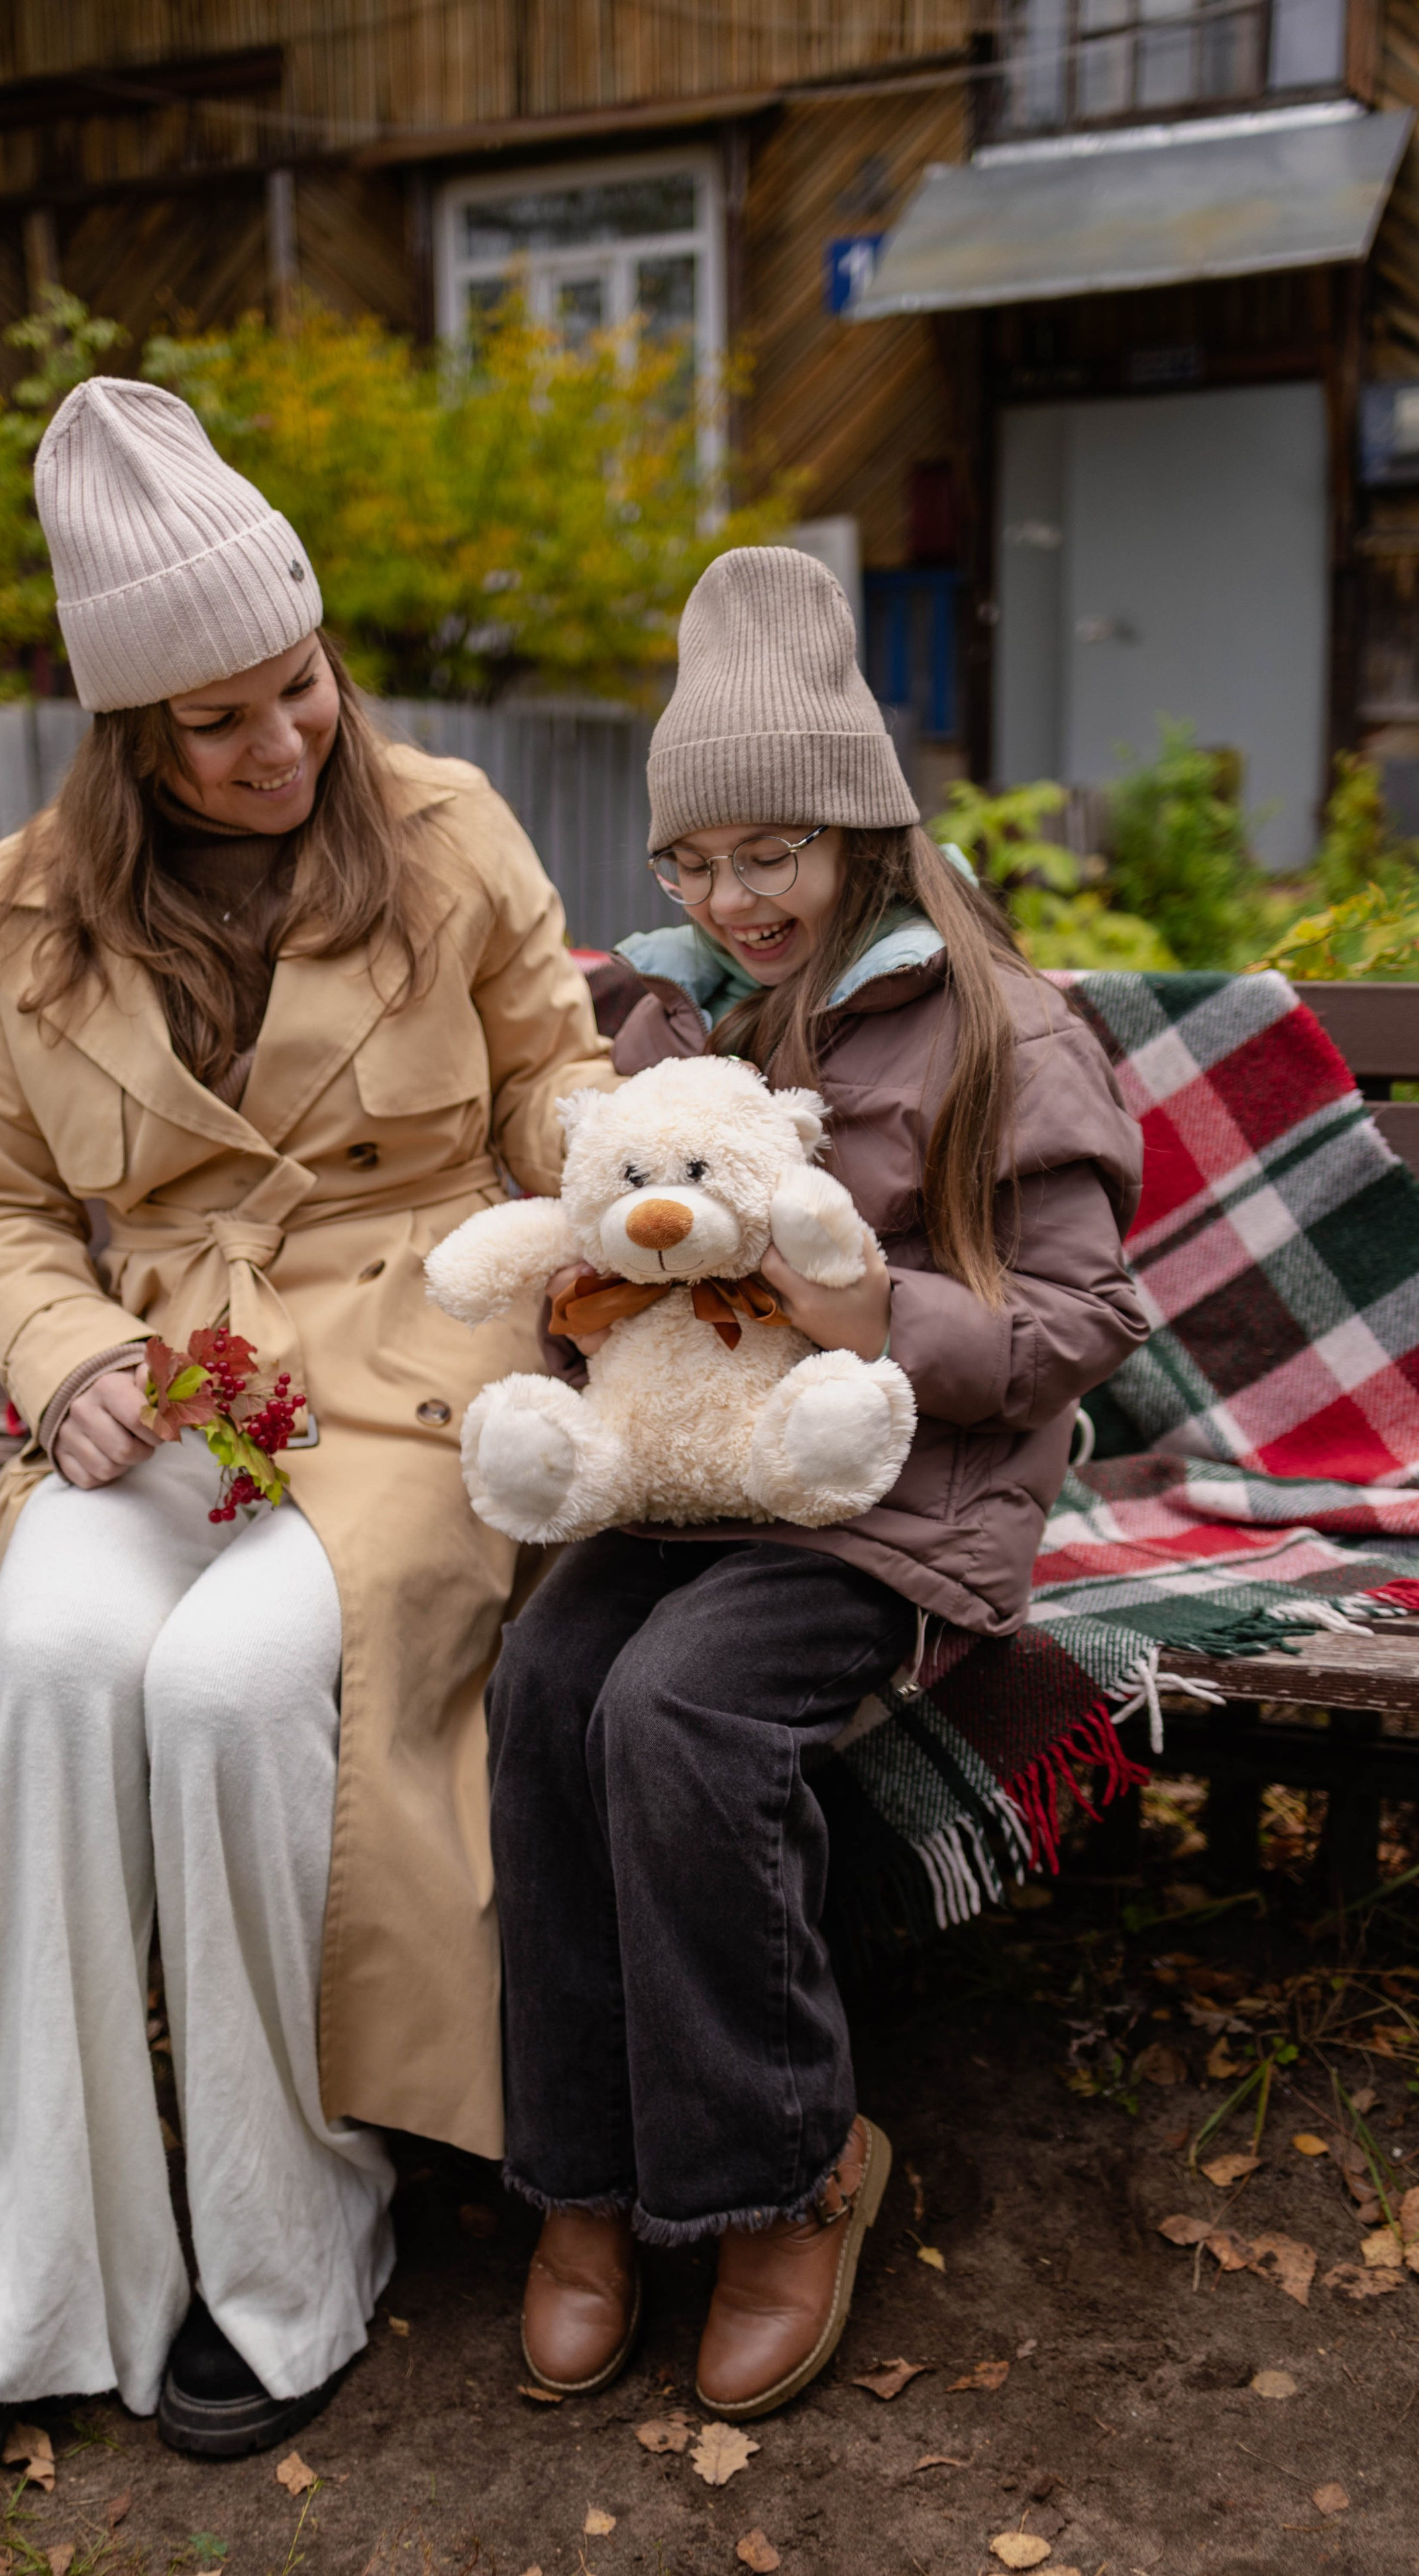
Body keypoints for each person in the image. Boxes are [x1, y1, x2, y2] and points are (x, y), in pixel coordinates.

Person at [0, 378, 615, 2538]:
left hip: (422, 1361)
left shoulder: (446, 835)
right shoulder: (24, 907)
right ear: (128, 739)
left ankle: (288, 2239)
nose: (284, 743)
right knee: (64, 1665)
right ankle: (9, 2286)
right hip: (165, 1378)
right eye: (220, 722)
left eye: (301, 683)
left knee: (240, 1684)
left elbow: (562, 1098)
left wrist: (621, 1218)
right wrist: (59, 1357)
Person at [490, 546, 1149, 2422]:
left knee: (681, 1712)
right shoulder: (669, 1018)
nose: (727, 898)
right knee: (547, 1687)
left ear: (859, 827)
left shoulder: (999, 1027)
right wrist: (581, 1305)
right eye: (692, 861)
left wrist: (884, 1310)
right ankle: (588, 2185)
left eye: (767, 853)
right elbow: (617, 1249)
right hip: (696, 1483)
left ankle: (795, 2172)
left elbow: (1087, 1317)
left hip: (895, 1492)